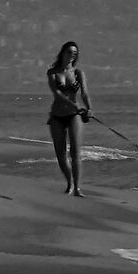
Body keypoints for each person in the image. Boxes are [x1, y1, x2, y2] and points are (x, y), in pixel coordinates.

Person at [45, 40, 92, 197]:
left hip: (74, 115)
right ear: (63, 53)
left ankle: (77, 188)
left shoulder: (78, 73)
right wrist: (73, 105)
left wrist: (89, 108)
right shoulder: (53, 73)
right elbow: (57, 93)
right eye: (69, 52)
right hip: (57, 116)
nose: (72, 55)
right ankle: (69, 183)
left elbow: (84, 93)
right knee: (60, 155)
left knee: (75, 153)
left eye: (75, 53)